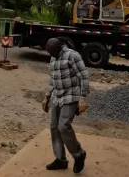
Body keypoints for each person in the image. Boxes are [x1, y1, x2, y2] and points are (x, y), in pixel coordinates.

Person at [42, 38, 90, 173]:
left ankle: (79, 154)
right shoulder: (53, 57)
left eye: (53, 53)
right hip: (57, 96)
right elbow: (53, 78)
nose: (51, 56)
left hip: (71, 95)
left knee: (63, 126)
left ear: (59, 47)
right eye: (50, 54)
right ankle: (61, 160)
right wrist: (46, 97)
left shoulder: (73, 55)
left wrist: (82, 99)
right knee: (54, 127)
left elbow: (84, 76)